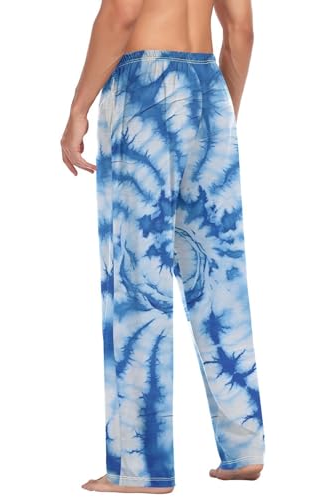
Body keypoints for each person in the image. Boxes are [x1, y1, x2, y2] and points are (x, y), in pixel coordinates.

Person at [60, 0, 264, 493]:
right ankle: (244, 449)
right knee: (217, 276)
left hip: (145, 88)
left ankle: (141, 466)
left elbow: (122, 12)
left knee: (138, 279)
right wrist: (218, 114)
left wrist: (78, 108)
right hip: (209, 90)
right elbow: (240, 30)